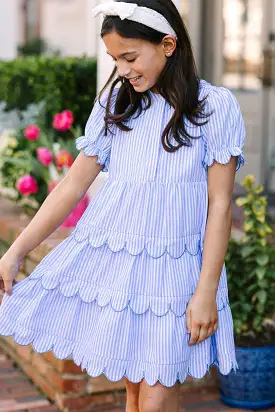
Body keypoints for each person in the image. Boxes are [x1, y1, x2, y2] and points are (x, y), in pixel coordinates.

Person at [0, 1, 246, 411]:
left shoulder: (213, 107)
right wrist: (15, 252)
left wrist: (205, 289)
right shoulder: (118, 104)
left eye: (130, 57)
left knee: (156, 398)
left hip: (176, 272)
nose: (123, 69)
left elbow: (220, 205)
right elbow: (72, 186)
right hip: (121, 268)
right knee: (135, 396)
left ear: (168, 45)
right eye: (115, 59)